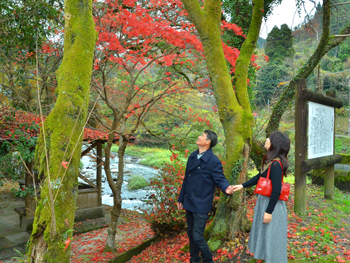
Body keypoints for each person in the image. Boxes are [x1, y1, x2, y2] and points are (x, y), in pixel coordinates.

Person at [231, 131, 290, 263]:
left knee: (272, 239)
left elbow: (276, 190)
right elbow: (260, 177)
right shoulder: (270, 162)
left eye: (269, 138)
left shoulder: (276, 165)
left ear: (275, 144)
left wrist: (269, 212)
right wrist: (242, 185)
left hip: (272, 206)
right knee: (266, 236)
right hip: (266, 203)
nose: (266, 139)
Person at [177, 130, 233, 263]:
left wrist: (226, 187)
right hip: (189, 201)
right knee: (191, 234)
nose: (198, 136)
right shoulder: (192, 156)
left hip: (202, 203)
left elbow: (220, 178)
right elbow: (186, 180)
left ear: (208, 141)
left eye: (201, 135)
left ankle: (208, 261)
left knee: (197, 236)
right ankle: (194, 260)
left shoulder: (213, 161)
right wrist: (181, 198)